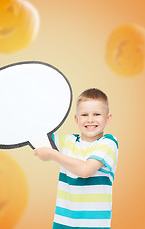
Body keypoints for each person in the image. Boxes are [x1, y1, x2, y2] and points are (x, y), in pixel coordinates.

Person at [34, 88, 118, 229]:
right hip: (63, 224)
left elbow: (85, 170)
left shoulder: (108, 142)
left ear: (108, 118)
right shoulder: (67, 141)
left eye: (97, 114)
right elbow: (38, 135)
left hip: (94, 225)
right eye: (84, 115)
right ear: (76, 119)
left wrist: (53, 155)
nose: (90, 119)